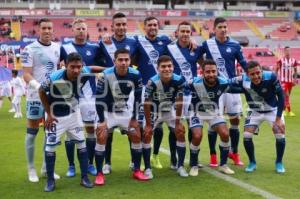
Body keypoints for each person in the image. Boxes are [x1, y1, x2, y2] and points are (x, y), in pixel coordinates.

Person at [39, 52, 94, 192]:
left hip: (73, 114)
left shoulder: (83, 71)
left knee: (82, 144)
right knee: (50, 147)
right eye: (72, 67)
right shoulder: (55, 77)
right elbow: (41, 90)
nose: (76, 70)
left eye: (79, 67)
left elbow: (93, 68)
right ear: (66, 66)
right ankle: (50, 181)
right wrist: (49, 114)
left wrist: (109, 68)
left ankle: (84, 178)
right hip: (55, 116)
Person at [94, 48, 149, 185]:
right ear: (114, 61)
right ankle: (99, 173)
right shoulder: (105, 75)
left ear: (130, 61)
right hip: (107, 112)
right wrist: (102, 121)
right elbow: (99, 100)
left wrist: (134, 119)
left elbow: (137, 98)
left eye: (126, 60)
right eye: (120, 60)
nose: (124, 63)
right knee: (101, 136)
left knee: (136, 135)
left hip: (125, 111)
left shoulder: (136, 74)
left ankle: (136, 170)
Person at [60, 18, 104, 177]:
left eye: (83, 28)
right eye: (78, 28)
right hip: (70, 95)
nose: (80, 31)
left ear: (87, 30)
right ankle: (71, 165)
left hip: (90, 96)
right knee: (70, 131)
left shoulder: (95, 47)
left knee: (91, 130)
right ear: (73, 30)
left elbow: (104, 60)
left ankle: (90, 164)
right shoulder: (64, 48)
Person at [201, 17, 247, 167]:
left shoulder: (234, 45)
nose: (223, 29)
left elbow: (244, 64)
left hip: (231, 87)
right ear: (214, 29)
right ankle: (213, 155)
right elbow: (195, 56)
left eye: (225, 27)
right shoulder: (207, 44)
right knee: (214, 122)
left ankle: (234, 152)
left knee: (235, 121)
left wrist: (254, 75)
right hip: (213, 88)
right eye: (220, 27)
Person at [21, 18, 61, 182]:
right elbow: (26, 74)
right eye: (44, 28)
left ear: (53, 30)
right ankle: (31, 169)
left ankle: (46, 168)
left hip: (52, 97)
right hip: (35, 96)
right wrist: (39, 86)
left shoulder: (58, 48)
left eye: (49, 28)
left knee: (49, 132)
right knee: (32, 133)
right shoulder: (29, 49)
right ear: (39, 30)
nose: (46, 31)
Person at [99, 12, 138, 174]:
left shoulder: (134, 42)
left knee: (132, 130)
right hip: (108, 91)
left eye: (124, 24)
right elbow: (95, 60)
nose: (121, 27)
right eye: (118, 24)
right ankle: (106, 163)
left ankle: (133, 161)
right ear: (112, 26)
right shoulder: (104, 43)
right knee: (107, 131)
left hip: (127, 92)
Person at [231, 61, 286, 173]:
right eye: (252, 74)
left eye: (258, 73)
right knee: (246, 135)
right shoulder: (242, 79)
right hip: (254, 111)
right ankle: (252, 162)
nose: (256, 76)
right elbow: (227, 84)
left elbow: (281, 96)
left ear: (261, 70)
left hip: (272, 110)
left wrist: (278, 118)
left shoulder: (271, 77)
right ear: (247, 74)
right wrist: (242, 89)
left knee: (280, 135)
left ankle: (279, 162)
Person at [134, 16, 172, 170]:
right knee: (145, 125)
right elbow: (134, 59)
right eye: (149, 25)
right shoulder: (138, 42)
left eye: (155, 24)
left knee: (160, 125)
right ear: (145, 27)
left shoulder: (166, 41)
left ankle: (155, 156)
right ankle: (144, 158)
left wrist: (192, 42)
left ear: (158, 26)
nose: (153, 27)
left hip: (162, 89)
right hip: (145, 88)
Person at [166, 21, 203, 169]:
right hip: (176, 94)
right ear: (177, 33)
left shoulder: (196, 49)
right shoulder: (169, 48)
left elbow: (204, 63)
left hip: (192, 93)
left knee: (193, 126)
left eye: (188, 32)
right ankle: (174, 158)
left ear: (191, 34)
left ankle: (193, 159)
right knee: (175, 127)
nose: (185, 34)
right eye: (183, 31)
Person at [143, 55, 188, 178]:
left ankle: (180, 166)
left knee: (180, 132)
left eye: (169, 66)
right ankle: (147, 168)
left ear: (173, 67)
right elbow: (146, 104)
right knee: (146, 134)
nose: (167, 69)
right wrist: (147, 125)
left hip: (169, 110)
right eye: (163, 67)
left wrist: (178, 123)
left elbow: (179, 102)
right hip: (154, 111)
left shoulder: (179, 80)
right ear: (158, 68)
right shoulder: (152, 82)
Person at [189, 59, 236, 175]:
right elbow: (179, 88)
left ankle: (223, 165)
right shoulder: (194, 82)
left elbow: (239, 88)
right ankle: (194, 165)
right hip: (196, 112)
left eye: (213, 71)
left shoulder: (223, 82)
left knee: (225, 134)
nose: (211, 74)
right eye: (208, 72)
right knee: (197, 135)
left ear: (217, 71)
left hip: (213, 112)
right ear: (202, 72)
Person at [275, 46, 298, 117]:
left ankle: (283, 110)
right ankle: (289, 111)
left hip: (290, 81)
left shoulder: (293, 61)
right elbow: (276, 70)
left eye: (289, 50)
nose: (288, 52)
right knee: (286, 95)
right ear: (284, 52)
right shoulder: (281, 60)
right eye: (286, 51)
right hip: (283, 81)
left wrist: (295, 79)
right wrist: (276, 79)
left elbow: (295, 71)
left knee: (287, 96)